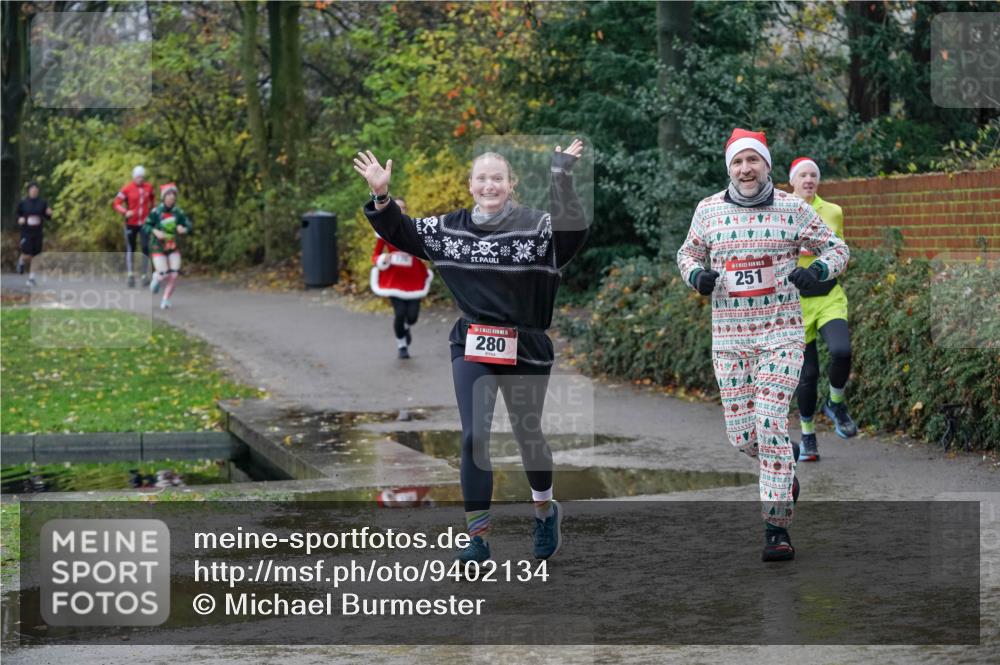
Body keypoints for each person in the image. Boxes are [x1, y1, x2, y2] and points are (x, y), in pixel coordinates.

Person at [354, 139, 588, 563]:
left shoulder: (536, 228)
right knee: (474, 437)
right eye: (482, 178)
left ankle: (543, 509)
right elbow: (400, 231)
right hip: (473, 343)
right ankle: (477, 538)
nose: (490, 185)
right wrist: (381, 196)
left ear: (511, 184)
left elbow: (571, 232)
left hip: (527, 344)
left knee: (527, 436)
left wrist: (561, 176)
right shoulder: (450, 230)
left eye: (497, 178)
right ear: (470, 185)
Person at [676, 128, 849, 562]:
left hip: (781, 335)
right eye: (737, 162)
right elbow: (688, 254)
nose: (745, 168)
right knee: (742, 435)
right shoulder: (709, 210)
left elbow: (837, 248)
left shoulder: (792, 209)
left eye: (753, 160)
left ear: (767, 166)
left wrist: (819, 271)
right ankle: (782, 460)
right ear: (728, 168)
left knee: (770, 420)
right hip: (730, 340)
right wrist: (697, 276)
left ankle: (777, 528)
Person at [789, 157, 857, 461]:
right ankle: (807, 434)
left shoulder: (833, 212)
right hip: (795, 303)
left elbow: (838, 252)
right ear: (792, 181)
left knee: (842, 351)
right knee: (808, 374)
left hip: (829, 295)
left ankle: (835, 403)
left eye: (813, 175)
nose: (808, 180)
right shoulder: (780, 212)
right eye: (802, 175)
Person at [370, 197, 433, 359]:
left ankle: (406, 326)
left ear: (406, 210)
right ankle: (402, 345)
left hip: (414, 278)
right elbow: (375, 256)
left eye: (403, 208)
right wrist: (385, 258)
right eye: (397, 207)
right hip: (394, 279)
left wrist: (420, 254)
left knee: (412, 316)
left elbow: (426, 251)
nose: (400, 210)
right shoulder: (383, 231)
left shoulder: (414, 229)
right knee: (399, 313)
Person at [143, 183, 191, 310]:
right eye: (168, 195)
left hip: (173, 247)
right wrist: (155, 231)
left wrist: (184, 229)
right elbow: (146, 226)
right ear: (163, 197)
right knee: (163, 274)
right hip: (158, 247)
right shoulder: (156, 212)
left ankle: (166, 299)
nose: (171, 197)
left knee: (174, 275)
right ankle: (156, 277)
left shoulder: (178, 212)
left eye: (173, 195)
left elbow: (188, 225)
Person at [113, 165, 155, 288]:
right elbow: (116, 203)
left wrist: (152, 214)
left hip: (144, 223)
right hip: (131, 223)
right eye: (138, 177)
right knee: (131, 248)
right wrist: (125, 212)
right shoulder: (127, 188)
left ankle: (144, 275)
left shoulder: (149, 187)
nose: (140, 179)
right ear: (134, 177)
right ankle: (130, 275)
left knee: (145, 247)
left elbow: (152, 201)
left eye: (142, 177)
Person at [16, 182, 52, 287]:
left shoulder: (42, 203)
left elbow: (47, 216)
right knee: (28, 255)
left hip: (38, 233)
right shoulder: (23, 203)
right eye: (32, 190)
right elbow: (17, 214)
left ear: (38, 191)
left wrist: (49, 214)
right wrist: (20, 219)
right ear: (29, 191)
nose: (34, 192)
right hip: (26, 232)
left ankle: (31, 278)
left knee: (36, 256)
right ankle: (21, 260)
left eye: (36, 190)